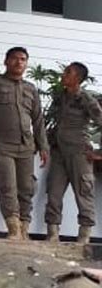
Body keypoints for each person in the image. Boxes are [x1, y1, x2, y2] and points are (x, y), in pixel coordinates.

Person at [0, 46, 48, 240]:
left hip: (26, 146)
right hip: (2, 145)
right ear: (6, 61)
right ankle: (13, 229)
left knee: (26, 188)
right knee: (8, 186)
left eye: (23, 59)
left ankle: (24, 229)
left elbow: (38, 119)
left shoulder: (30, 88)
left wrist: (43, 146)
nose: (19, 62)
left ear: (26, 64)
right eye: (14, 58)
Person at [43, 62, 102, 244]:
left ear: (77, 79)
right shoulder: (60, 97)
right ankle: (52, 234)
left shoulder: (86, 99)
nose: (63, 74)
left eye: (68, 72)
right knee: (54, 192)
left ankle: (83, 238)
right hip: (59, 152)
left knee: (84, 195)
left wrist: (100, 153)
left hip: (79, 153)